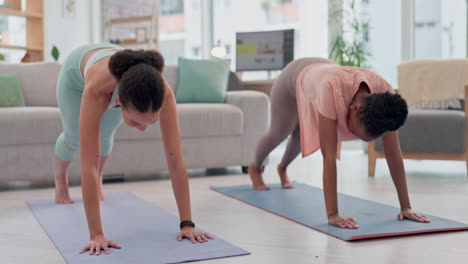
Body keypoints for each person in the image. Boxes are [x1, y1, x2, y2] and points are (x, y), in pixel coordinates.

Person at [53, 43, 212, 255]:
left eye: (150, 122)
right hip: (75, 76)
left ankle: (99, 182)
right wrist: (96, 235)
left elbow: (175, 160)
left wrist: (187, 224)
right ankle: (60, 180)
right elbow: (88, 165)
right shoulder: (97, 92)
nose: (144, 129)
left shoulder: (163, 93)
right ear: (118, 101)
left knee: (106, 132)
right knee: (74, 137)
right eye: (137, 123)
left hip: (123, 70)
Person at [248, 58, 431, 229]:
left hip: (324, 71)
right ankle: (255, 167)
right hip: (292, 78)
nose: (360, 138)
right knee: (281, 131)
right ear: (356, 108)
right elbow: (328, 156)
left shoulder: (386, 100)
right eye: (359, 133)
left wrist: (406, 207)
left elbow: (392, 152)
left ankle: (282, 168)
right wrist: (333, 214)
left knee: (299, 134)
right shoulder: (330, 90)